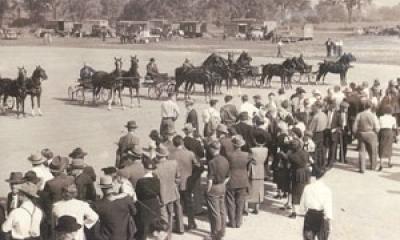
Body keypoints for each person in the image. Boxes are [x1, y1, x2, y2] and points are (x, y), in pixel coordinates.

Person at [169, 135, 200, 230]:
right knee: (189, 203)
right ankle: (191, 223)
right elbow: (197, 165)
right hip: (187, 181)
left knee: (177, 204)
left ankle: (179, 224)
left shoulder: (170, 155)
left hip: (175, 182)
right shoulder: (190, 154)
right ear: (182, 143)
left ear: (174, 144)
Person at [153, 145, 184, 237]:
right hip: (172, 193)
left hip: (161, 195)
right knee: (171, 214)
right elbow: (178, 179)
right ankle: (169, 233)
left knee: (163, 216)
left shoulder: (155, 169)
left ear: (158, 156)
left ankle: (165, 234)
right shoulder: (174, 163)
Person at [93, 176, 137, 240]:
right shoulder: (126, 199)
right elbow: (134, 212)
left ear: (102, 189)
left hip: (107, 237)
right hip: (126, 236)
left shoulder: (98, 205)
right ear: (112, 187)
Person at [135, 155, 166, 240]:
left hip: (144, 205)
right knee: (155, 225)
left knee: (144, 226)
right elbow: (159, 192)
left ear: (144, 168)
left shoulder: (140, 181)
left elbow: (137, 194)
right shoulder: (157, 180)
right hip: (155, 204)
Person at [206, 141, 230, 240]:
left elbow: (210, 179)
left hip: (214, 187)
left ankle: (215, 234)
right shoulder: (225, 160)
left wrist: (207, 190)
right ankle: (222, 231)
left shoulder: (212, 162)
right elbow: (228, 177)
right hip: (222, 186)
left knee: (214, 212)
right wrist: (222, 184)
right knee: (222, 210)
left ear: (212, 149)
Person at [225, 135, 251, 228]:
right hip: (243, 179)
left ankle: (232, 221)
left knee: (230, 201)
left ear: (233, 145)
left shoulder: (229, 155)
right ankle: (238, 221)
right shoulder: (246, 155)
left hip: (231, 179)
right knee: (240, 202)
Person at [301, 168, 332, 240]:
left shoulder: (307, 187)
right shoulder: (326, 190)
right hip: (321, 216)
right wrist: (329, 221)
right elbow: (328, 207)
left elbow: (303, 203)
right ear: (323, 176)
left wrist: (304, 212)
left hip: (310, 215)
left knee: (308, 238)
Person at [353, 100, 380, 173]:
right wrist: (376, 132)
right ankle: (373, 166)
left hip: (362, 133)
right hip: (371, 133)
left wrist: (355, 133)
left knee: (362, 151)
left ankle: (362, 168)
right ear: (371, 107)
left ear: (364, 106)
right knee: (373, 151)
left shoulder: (359, 114)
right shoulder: (373, 115)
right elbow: (377, 127)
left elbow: (354, 126)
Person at [288, 139, 310, 219]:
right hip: (306, 173)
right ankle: (306, 211)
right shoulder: (306, 153)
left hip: (296, 174)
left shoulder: (291, 156)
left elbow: (289, 163)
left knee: (295, 192)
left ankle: (294, 212)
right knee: (305, 192)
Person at [247, 134, 268, 214]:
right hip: (261, 169)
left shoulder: (252, 150)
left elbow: (248, 159)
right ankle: (257, 207)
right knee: (259, 189)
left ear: (255, 141)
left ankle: (246, 207)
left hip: (253, 169)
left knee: (250, 188)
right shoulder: (266, 149)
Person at [309, 102, 328, 172]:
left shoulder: (316, 116)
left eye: (314, 107)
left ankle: (316, 168)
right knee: (322, 151)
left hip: (316, 134)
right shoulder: (325, 115)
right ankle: (322, 166)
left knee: (315, 152)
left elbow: (311, 128)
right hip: (323, 134)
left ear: (317, 107)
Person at [378, 105, 397, 170]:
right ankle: (389, 162)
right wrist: (395, 136)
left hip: (382, 132)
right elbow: (394, 127)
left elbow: (379, 126)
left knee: (381, 147)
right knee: (389, 147)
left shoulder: (381, 117)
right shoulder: (393, 118)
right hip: (390, 132)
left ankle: (381, 164)